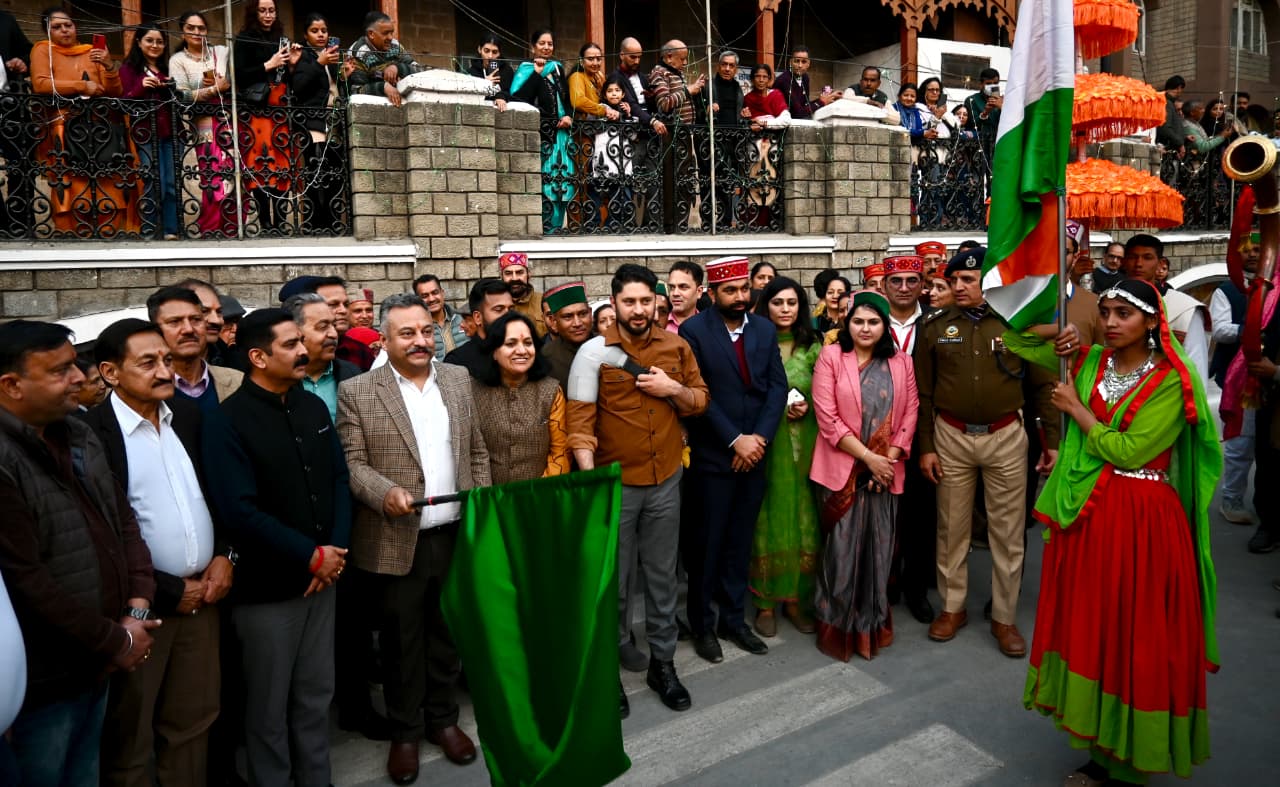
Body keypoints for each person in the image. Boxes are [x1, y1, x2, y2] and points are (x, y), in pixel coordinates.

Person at [1008, 278, 1220, 786]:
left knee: (1135, 635)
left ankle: (1131, 760)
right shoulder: (1094, 362)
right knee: (1097, 632)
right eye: (1104, 311)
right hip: (1092, 517)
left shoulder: (1174, 380)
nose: (1109, 322)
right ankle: (1102, 749)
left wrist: (1076, 411)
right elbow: (1013, 339)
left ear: (1152, 321)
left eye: (1124, 313)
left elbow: (1131, 451)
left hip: (1144, 522)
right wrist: (1058, 333)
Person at [337, 293, 489, 782]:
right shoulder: (359, 391)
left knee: (446, 636)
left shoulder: (459, 380)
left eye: (425, 330)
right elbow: (353, 463)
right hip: (396, 537)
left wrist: (480, 505)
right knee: (402, 644)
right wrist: (385, 493)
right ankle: (405, 731)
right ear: (385, 339)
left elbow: (477, 452)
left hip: (454, 533)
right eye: (407, 333)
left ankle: (443, 722)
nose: (420, 340)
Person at [0, 320, 158, 787]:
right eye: (61, 371)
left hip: (101, 658)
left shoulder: (78, 433)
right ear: (11, 385)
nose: (79, 378)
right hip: (46, 677)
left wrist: (136, 606)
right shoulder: (5, 459)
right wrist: (115, 640)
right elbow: (26, 579)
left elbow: (123, 521)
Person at [202, 308, 351, 787]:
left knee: (315, 696)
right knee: (267, 707)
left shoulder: (309, 406)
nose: (304, 350)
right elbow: (238, 510)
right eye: (290, 345)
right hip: (268, 590)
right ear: (258, 357)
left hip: (323, 579)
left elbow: (338, 479)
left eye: (300, 342)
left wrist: (334, 553)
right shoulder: (227, 421)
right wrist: (310, 556)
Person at [80, 319, 230, 787]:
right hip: (142, 611)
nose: (165, 369)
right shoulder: (91, 436)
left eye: (166, 359)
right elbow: (102, 535)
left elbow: (216, 496)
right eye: (148, 362)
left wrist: (225, 555)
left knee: (194, 721)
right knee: (131, 736)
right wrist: (167, 589)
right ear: (109, 372)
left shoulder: (185, 418)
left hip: (203, 601)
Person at [567, 264, 709, 715]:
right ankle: (608, 670)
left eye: (645, 301)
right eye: (629, 302)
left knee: (663, 578)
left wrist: (673, 389)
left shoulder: (677, 346)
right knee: (615, 583)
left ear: (656, 302)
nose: (638, 309)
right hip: (616, 485)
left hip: (666, 480)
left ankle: (662, 664)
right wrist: (592, 480)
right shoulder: (593, 354)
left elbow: (701, 400)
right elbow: (579, 425)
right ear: (614, 304)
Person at [914, 248, 1058, 657]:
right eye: (953, 280)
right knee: (951, 529)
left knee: (1008, 532)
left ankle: (1005, 617)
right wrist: (927, 447)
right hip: (951, 436)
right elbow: (923, 393)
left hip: (1006, 436)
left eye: (967, 281)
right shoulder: (935, 327)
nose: (957, 287)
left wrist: (1053, 441)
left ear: (989, 283)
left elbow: (1042, 387)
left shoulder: (1017, 325)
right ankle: (952, 607)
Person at [680, 256, 788, 662]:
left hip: (756, 453)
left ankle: (732, 619)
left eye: (745, 289)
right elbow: (698, 394)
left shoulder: (762, 327)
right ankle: (703, 625)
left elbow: (776, 388)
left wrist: (758, 438)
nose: (741, 296)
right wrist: (735, 440)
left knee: (739, 541)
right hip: (714, 457)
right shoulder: (694, 331)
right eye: (731, 291)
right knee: (707, 545)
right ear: (712, 294)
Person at [810, 290, 918, 661]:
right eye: (858, 321)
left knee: (879, 550)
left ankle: (872, 624)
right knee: (841, 551)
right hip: (844, 470)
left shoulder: (902, 362)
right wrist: (870, 459)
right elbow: (827, 417)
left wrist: (886, 460)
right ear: (846, 322)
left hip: (885, 472)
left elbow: (910, 413)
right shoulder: (831, 357)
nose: (865, 328)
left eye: (874, 322)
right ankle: (836, 626)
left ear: (885, 326)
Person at [748, 277, 822, 637]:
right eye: (778, 302)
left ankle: (797, 599)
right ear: (765, 306)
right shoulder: (754, 343)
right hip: (767, 446)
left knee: (805, 522)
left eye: (792, 302)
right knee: (766, 521)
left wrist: (809, 408)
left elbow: (828, 394)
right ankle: (765, 602)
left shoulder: (815, 346)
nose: (786, 309)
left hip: (806, 447)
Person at [31, 8, 141, 237]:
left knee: (108, 180)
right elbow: (41, 84)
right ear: (47, 31)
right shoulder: (43, 50)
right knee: (68, 184)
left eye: (68, 25)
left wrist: (110, 66)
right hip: (63, 128)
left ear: (75, 27)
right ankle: (72, 234)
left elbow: (114, 91)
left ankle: (110, 232)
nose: (64, 30)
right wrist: (83, 86)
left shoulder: (92, 51)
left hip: (101, 129)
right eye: (57, 27)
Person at [879, 256, 935, 623]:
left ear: (922, 284)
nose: (903, 287)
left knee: (920, 513)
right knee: (881, 513)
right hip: (878, 435)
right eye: (896, 281)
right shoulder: (871, 322)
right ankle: (883, 582)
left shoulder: (936, 322)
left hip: (924, 433)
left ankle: (917, 588)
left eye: (911, 280)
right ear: (884, 286)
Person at [471, 311, 570, 482]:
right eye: (511, 344)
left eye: (528, 343)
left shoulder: (551, 391)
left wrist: (538, 493)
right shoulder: (474, 391)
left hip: (539, 497)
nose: (522, 351)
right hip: (488, 499)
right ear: (494, 351)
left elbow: (560, 451)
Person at [233, 0, 301, 234]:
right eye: (263, 10)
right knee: (261, 163)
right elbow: (239, 76)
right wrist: (268, 64)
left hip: (280, 106)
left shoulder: (281, 39)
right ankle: (265, 223)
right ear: (254, 12)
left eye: (271, 10)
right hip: (257, 109)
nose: (268, 15)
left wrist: (291, 65)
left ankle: (281, 222)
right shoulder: (243, 39)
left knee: (282, 163)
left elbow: (288, 80)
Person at [169, 10, 236, 238]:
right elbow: (182, 95)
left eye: (201, 28)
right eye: (191, 28)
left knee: (232, 172)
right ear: (183, 32)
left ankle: (232, 226)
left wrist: (222, 85)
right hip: (203, 123)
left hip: (228, 120)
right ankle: (211, 226)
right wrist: (212, 89)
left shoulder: (221, 52)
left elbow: (234, 81)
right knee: (211, 173)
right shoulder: (177, 60)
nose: (197, 32)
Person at [1212, 232, 1259, 524]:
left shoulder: (1274, 287)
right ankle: (1231, 500)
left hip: (1268, 377)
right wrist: (1252, 331)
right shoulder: (1226, 290)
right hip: (1237, 378)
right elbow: (1219, 330)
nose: (1253, 254)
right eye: (1247, 250)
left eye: (1258, 249)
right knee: (1241, 442)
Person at [1122, 234, 1210, 388]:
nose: (1138, 264)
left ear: (1160, 263)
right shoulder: (1111, 304)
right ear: (1124, 262)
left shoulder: (1184, 309)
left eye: (1147, 257)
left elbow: (1196, 367)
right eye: (1132, 257)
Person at [120, 24, 180, 240]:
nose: (155, 45)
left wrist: (171, 87)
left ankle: (171, 229)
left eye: (160, 41)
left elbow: (179, 99)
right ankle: (150, 229)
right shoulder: (129, 69)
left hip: (172, 133)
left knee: (172, 183)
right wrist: (141, 86)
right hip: (146, 133)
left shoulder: (168, 68)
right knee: (154, 180)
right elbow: (124, 101)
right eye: (150, 40)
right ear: (139, 42)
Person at [511, 28, 574, 232]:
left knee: (563, 180)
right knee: (544, 180)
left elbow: (566, 99)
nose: (547, 47)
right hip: (541, 134)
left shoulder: (557, 68)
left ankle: (557, 226)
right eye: (542, 43)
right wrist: (537, 74)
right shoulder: (526, 69)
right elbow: (518, 97)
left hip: (562, 134)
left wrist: (568, 116)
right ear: (533, 46)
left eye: (550, 44)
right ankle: (542, 226)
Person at [148, 287, 243, 412]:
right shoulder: (141, 389)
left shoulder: (238, 381)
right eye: (175, 321)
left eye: (196, 320)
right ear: (155, 330)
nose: (189, 329)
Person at [292, 13, 345, 236]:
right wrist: (317, 63)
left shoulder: (331, 56)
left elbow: (332, 88)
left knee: (334, 175)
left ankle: (333, 222)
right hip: (313, 123)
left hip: (333, 123)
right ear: (306, 35)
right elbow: (299, 87)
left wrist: (343, 76)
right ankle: (315, 224)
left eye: (324, 30)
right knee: (315, 175)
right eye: (315, 30)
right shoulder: (302, 56)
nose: (321, 34)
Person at [285, 293, 362, 423]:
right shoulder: (280, 379)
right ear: (295, 332)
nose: (333, 334)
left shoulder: (352, 374)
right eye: (323, 327)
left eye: (333, 325)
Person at [279, 275, 377, 371]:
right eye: (333, 304)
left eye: (346, 304)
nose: (343, 310)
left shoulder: (361, 353)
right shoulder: (279, 356)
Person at [348, 11, 422, 107]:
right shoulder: (358, 52)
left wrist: (397, 68)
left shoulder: (395, 46)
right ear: (371, 34)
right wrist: (383, 87)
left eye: (392, 32)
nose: (391, 37)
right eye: (386, 33)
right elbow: (356, 90)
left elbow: (419, 70)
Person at [444, 278, 515, 375]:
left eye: (511, 309)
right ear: (477, 317)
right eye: (499, 309)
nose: (509, 316)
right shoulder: (457, 362)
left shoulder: (523, 354)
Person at [542, 281, 594, 389]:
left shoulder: (607, 345)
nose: (577, 323)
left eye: (583, 314)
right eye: (568, 317)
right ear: (553, 322)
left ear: (590, 313)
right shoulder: (545, 358)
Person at [414, 274, 468, 359]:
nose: (431, 299)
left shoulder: (462, 319)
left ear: (442, 293)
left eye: (435, 293)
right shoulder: (417, 328)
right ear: (417, 300)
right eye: (425, 296)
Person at [773, 46, 834, 120]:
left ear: (808, 64)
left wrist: (828, 98)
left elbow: (805, 105)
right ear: (790, 62)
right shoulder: (784, 80)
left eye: (804, 62)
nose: (800, 65)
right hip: (780, 122)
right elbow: (798, 113)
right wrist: (821, 102)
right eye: (796, 61)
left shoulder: (805, 77)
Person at [497, 252, 546, 337]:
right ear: (501, 276)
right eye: (508, 273)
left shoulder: (544, 301)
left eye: (519, 272)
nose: (514, 278)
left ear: (529, 275)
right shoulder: (495, 304)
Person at [464, 32, 513, 111]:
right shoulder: (471, 72)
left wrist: (501, 97)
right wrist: (485, 83)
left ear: (499, 53)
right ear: (480, 49)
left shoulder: (507, 70)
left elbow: (509, 92)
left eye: (494, 52)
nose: (490, 56)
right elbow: (470, 96)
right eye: (486, 51)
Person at [962, 67, 1003, 142]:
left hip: (998, 144)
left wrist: (1002, 107)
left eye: (995, 83)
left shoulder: (1003, 101)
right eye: (988, 83)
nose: (993, 86)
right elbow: (971, 125)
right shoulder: (971, 100)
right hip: (978, 146)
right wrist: (985, 113)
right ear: (981, 84)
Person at [666, 260, 705, 332]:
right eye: (672, 287)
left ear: (699, 291)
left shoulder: (709, 326)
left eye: (683, 287)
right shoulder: (659, 324)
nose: (675, 293)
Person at [710, 49, 744, 127]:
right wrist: (707, 110)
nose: (727, 69)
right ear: (718, 66)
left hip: (735, 135)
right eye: (724, 64)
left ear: (736, 70)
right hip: (713, 135)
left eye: (731, 65)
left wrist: (744, 114)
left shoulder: (738, 88)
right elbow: (698, 111)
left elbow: (740, 113)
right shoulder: (708, 86)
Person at [1156, 75, 1186, 150]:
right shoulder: (1166, 103)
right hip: (1167, 148)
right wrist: (1179, 143)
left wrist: (1184, 137)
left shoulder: (1167, 102)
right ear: (1179, 88)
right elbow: (1165, 127)